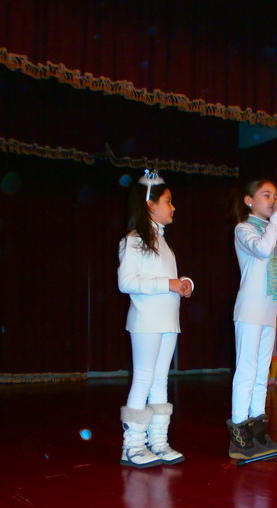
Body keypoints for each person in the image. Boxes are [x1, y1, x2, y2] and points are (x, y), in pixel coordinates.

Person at [117, 170, 194, 468]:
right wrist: (168, 284)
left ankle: (158, 441)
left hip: (168, 321)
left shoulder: (163, 243)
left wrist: (183, 283)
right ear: (150, 204)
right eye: (168, 201)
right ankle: (132, 446)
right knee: (144, 378)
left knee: (161, 379)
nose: (173, 207)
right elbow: (126, 282)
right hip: (146, 321)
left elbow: (166, 279)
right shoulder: (134, 241)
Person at [228, 179, 277, 460]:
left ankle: (258, 433)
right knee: (246, 371)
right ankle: (239, 437)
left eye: (275, 195)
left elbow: (269, 278)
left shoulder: (268, 230)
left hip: (268, 310)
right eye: (266, 195)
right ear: (249, 200)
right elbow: (261, 250)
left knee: (262, 373)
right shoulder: (244, 229)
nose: (273, 200)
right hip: (249, 311)